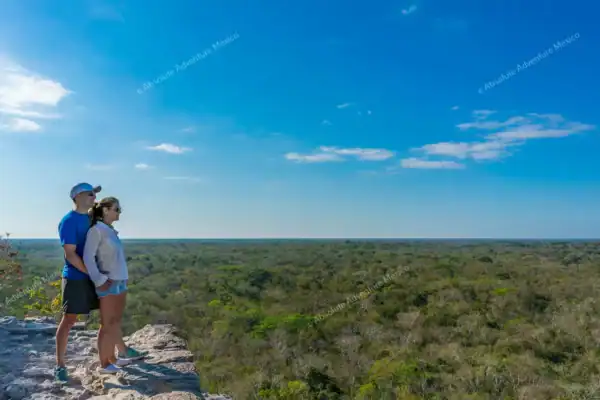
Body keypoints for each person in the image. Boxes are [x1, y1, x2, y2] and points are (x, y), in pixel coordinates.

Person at [83, 196, 148, 374]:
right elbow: (88, 257)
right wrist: (99, 280)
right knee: (107, 324)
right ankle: (104, 364)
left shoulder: (110, 230)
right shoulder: (97, 230)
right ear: (105, 210)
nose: (119, 213)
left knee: (115, 322)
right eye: (116, 209)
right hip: (108, 283)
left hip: (119, 281)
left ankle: (113, 358)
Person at [55, 182, 102, 382]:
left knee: (108, 316)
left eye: (94, 194)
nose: (94, 197)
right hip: (76, 277)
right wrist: (91, 273)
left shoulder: (92, 218)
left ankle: (111, 356)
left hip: (96, 275)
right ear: (78, 197)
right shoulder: (69, 221)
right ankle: (60, 365)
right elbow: (71, 255)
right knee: (69, 320)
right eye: (90, 193)